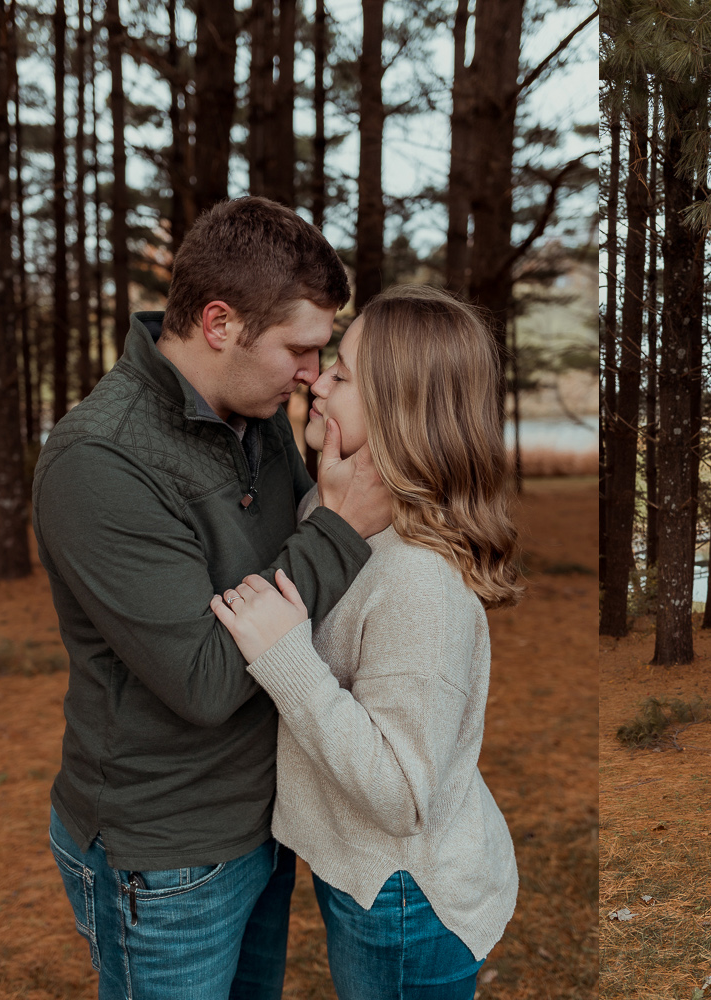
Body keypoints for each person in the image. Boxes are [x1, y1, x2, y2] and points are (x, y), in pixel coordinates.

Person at [34, 197, 390, 999]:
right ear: (220, 322)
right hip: (166, 858)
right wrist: (340, 527)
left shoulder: (254, 416)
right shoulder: (99, 464)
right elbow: (204, 678)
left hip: (266, 822)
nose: (311, 374)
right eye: (300, 349)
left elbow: (300, 582)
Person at [210, 284, 521, 1000]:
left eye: (343, 376)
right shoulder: (333, 506)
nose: (317, 381)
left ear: (400, 412)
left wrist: (284, 657)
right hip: (363, 873)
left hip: (406, 897)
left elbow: (401, 794)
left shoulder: (420, 581)